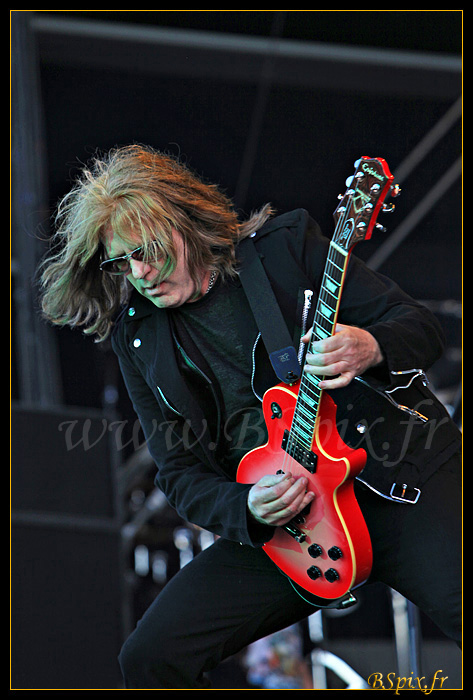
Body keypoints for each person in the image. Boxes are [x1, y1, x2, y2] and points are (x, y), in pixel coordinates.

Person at [39, 144, 461, 689]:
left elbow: (421, 327)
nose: (138, 273)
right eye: (121, 261)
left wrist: (371, 345)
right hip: (292, 525)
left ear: (185, 224)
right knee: (150, 657)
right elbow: (179, 472)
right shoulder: (138, 337)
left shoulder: (282, 250)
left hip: (399, 484)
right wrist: (247, 508)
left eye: (148, 251)